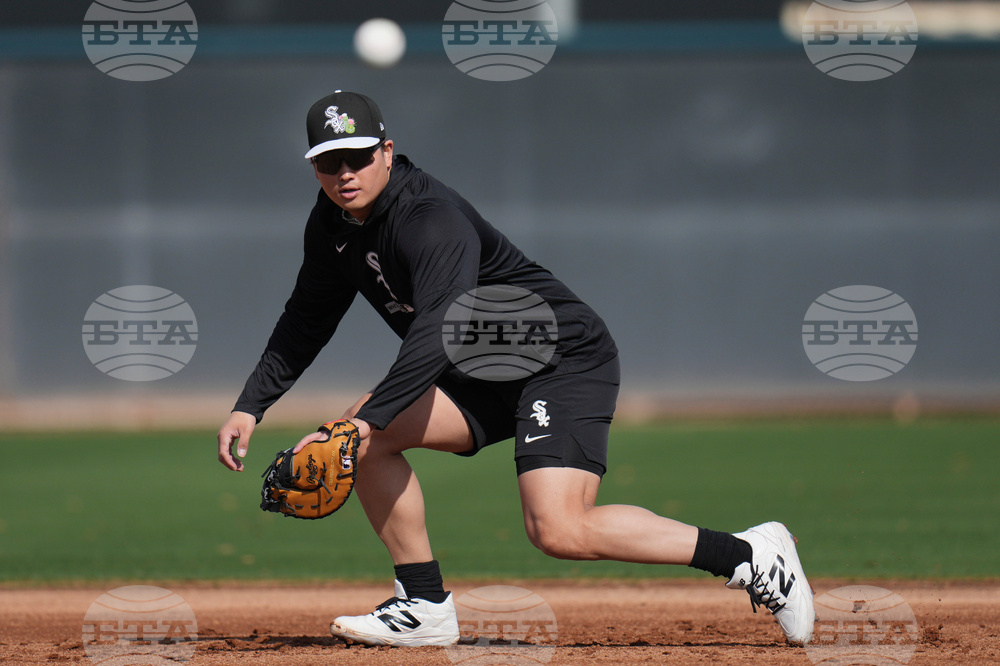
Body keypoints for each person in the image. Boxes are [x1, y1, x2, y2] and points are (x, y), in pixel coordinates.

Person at [216, 91, 815, 647]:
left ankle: (749, 556)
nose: (345, 173)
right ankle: (423, 605)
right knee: (360, 438)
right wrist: (251, 403)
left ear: (387, 152)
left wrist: (366, 419)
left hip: (559, 357)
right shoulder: (330, 227)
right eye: (329, 162)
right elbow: (306, 318)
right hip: (479, 367)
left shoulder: (430, 217)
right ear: (313, 167)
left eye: (357, 157)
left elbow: (437, 330)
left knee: (557, 528)